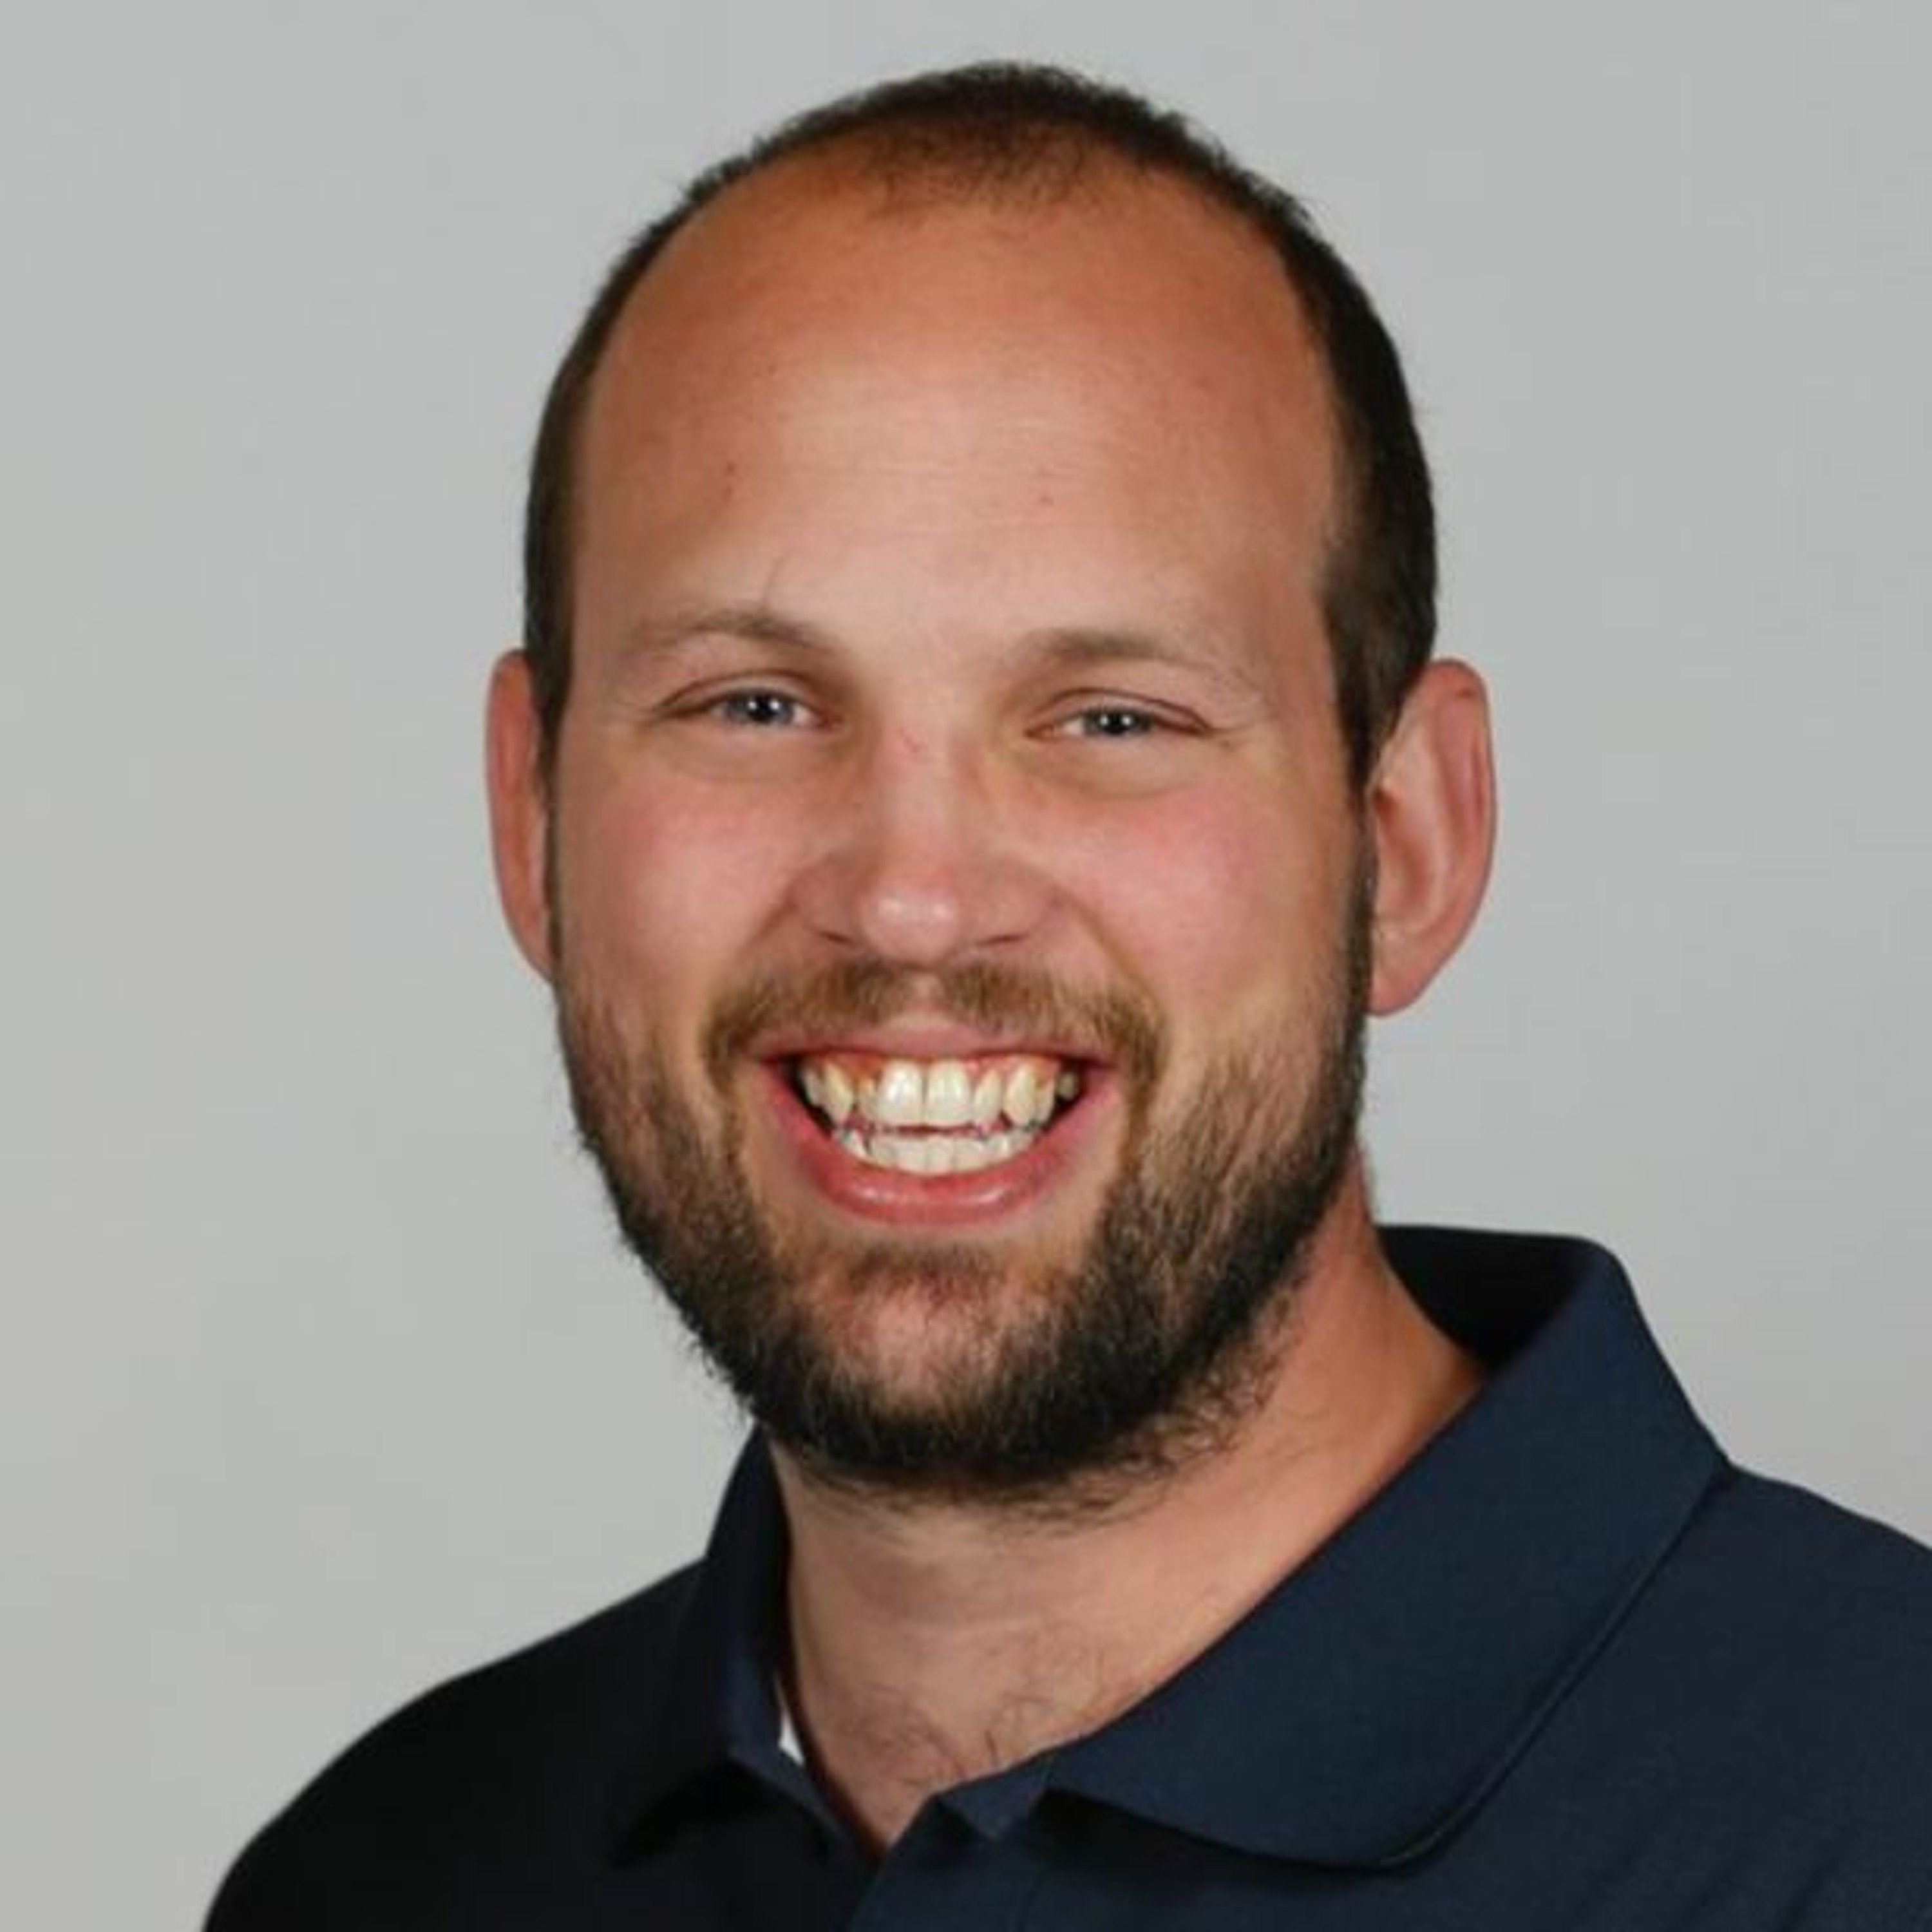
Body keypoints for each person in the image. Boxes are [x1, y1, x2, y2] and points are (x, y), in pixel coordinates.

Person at [206, 62, 1932, 1931]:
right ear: (533, 815)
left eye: (1111, 718)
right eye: (754, 705)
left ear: (1408, 842)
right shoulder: (381, 1877)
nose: (913, 897)